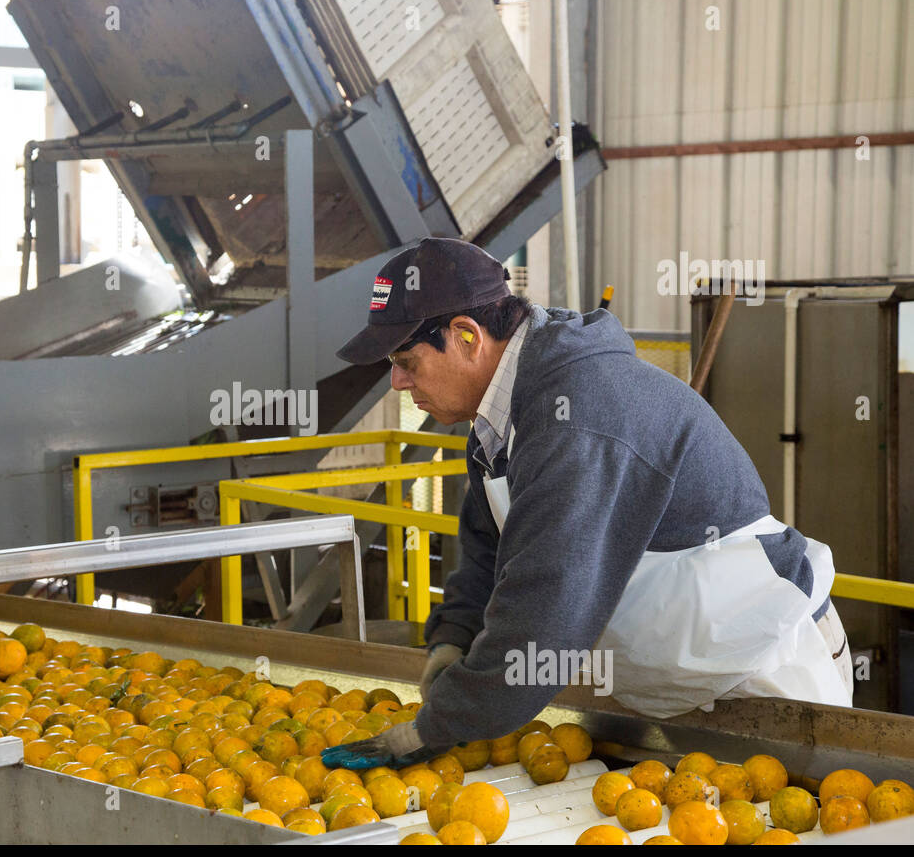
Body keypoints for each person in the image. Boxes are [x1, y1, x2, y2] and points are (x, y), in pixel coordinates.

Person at [321, 237, 853, 769]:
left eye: (406, 361)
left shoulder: (578, 415)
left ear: (465, 337)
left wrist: (432, 730)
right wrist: (453, 639)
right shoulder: (498, 421)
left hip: (764, 673)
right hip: (671, 688)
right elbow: (488, 548)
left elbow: (546, 605)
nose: (397, 381)